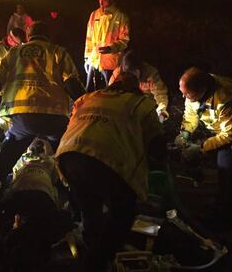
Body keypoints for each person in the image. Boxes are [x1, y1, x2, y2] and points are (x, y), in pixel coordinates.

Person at [56, 69, 166, 272]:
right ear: (136, 88)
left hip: (69, 156)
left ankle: (91, 244)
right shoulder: (141, 103)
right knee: (123, 213)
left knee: (90, 206)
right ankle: (96, 261)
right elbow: (157, 143)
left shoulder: (88, 97)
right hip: (108, 161)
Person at [0, 21, 85, 184]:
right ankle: (70, 187)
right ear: (49, 36)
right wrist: (86, 102)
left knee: (6, 157)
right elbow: (72, 85)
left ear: (28, 35)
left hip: (21, 117)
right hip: (53, 117)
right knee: (64, 154)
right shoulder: (58, 52)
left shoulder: (15, 52)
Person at [175, 67, 232, 231]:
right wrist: (185, 132)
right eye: (182, 92)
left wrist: (201, 147)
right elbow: (191, 111)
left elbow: (229, 136)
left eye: (187, 94)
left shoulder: (228, 100)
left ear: (201, 90)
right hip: (229, 128)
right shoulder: (195, 88)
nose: (184, 97)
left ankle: (225, 220)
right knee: (224, 167)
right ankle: (223, 204)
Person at [0, 138, 60, 271]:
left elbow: (13, 176)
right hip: (43, 197)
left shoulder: (22, 159)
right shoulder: (49, 161)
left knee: (10, 181)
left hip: (18, 196)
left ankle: (13, 228)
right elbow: (54, 180)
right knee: (53, 190)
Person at [84, 0, 129, 92]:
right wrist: (87, 57)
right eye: (99, 0)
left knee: (110, 91)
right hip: (94, 60)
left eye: (103, 0)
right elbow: (89, 38)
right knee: (89, 91)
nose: (101, 4)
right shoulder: (94, 15)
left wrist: (111, 48)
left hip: (110, 62)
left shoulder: (121, 17)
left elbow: (124, 40)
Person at [109, 49, 169, 122]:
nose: (130, 77)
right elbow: (111, 94)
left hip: (144, 105)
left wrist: (161, 111)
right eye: (127, 74)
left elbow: (160, 95)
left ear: (139, 70)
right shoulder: (117, 74)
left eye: (133, 74)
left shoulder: (151, 74)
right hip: (125, 103)